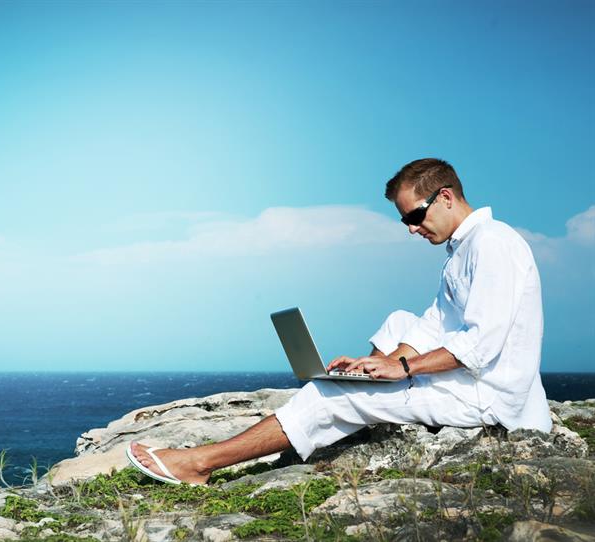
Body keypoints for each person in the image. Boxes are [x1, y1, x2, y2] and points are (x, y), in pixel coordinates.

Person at [126, 158, 552, 486]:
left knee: (333, 395)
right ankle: (368, 392)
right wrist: (378, 367)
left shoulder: (493, 245)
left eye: (413, 216)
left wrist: (402, 368)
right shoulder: (462, 250)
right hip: (479, 382)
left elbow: (481, 346)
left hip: (491, 396)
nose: (410, 229)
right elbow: (430, 325)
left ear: (445, 197)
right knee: (400, 321)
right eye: (404, 220)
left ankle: (200, 463)